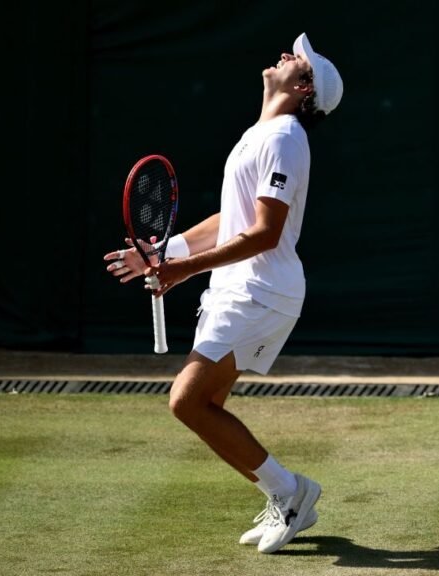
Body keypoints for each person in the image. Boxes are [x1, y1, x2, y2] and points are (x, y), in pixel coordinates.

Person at [102, 32, 343, 555]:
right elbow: (229, 220)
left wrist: (181, 270)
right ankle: (285, 494)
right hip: (236, 288)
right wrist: (166, 253)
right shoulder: (260, 134)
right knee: (205, 405)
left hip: (259, 291)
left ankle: (291, 491)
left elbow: (264, 234)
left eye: (294, 58)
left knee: (185, 401)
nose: (283, 55)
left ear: (304, 87)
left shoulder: (283, 138)